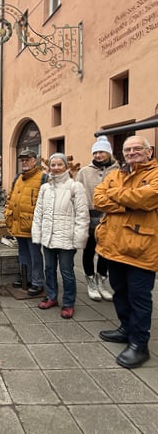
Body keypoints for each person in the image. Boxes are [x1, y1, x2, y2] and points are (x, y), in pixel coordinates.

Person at [95, 135, 158, 369]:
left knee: (139, 297)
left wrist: (115, 196)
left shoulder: (154, 174)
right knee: (119, 291)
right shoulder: (115, 174)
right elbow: (98, 199)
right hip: (113, 245)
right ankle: (125, 329)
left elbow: (148, 199)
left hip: (141, 248)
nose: (131, 153)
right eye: (127, 150)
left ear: (149, 151)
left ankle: (140, 344)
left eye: (137, 149)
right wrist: (127, 201)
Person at [31, 153, 89, 319]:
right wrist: (38, 233)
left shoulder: (74, 187)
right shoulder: (45, 188)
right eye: (53, 165)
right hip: (48, 237)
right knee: (49, 269)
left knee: (67, 272)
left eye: (59, 165)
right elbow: (39, 213)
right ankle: (51, 296)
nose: (55, 168)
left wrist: (79, 237)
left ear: (66, 166)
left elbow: (82, 214)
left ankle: (69, 303)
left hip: (66, 238)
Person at [75, 135, 119, 301]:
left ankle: (102, 281)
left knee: (106, 252)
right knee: (88, 250)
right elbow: (77, 195)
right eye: (96, 153)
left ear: (109, 153)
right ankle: (90, 281)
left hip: (110, 217)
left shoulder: (117, 171)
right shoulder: (84, 172)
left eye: (102, 152)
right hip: (89, 216)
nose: (98, 155)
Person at [3, 148, 47, 296]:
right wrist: (7, 214)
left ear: (35, 160)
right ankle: (25, 278)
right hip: (18, 223)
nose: (24, 162)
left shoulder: (42, 178)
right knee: (23, 253)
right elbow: (10, 198)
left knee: (35, 255)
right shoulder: (18, 178)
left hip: (33, 225)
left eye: (27, 159)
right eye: (22, 160)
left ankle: (37, 282)